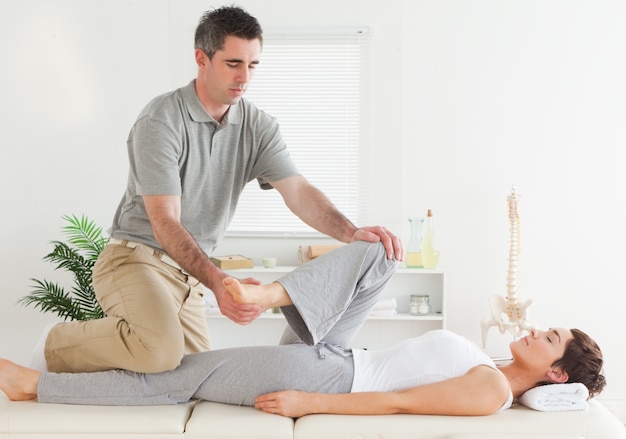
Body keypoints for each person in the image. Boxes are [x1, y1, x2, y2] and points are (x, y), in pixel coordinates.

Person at [37, 5, 402, 375]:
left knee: (197, 381)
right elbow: (164, 220)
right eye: (233, 63)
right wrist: (218, 283)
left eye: (253, 65)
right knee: (160, 353)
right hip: (136, 260)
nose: (245, 77)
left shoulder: (258, 126)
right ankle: (57, 344)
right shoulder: (161, 120)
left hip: (188, 277)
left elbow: (297, 191)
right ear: (202, 59)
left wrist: (350, 231)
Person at [3, 242, 605, 417]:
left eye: (548, 338)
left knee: (176, 378)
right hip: (335, 349)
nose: (533, 331)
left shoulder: (493, 390)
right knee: (381, 256)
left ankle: (33, 386)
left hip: (330, 375)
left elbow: (396, 402)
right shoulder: (490, 368)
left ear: (553, 371)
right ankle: (272, 294)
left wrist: (307, 403)